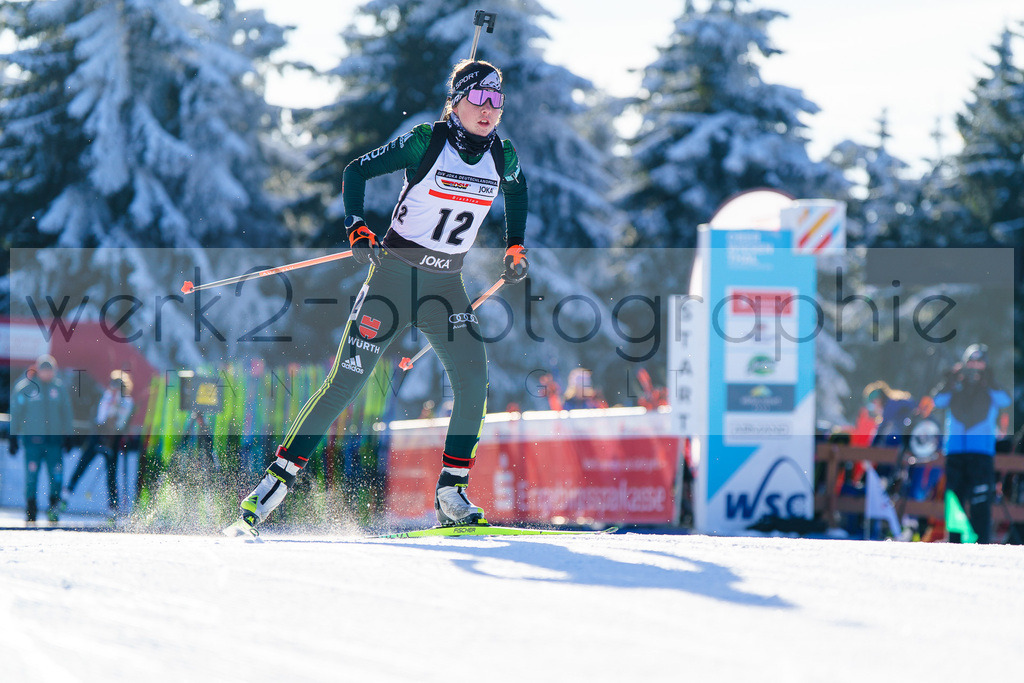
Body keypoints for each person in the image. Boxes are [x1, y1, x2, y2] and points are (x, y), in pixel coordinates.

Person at [230, 59, 529, 536]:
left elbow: (517, 190)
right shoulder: (426, 142)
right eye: (479, 98)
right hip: (393, 279)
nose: (489, 110)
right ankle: (275, 483)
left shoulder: (503, 155)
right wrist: (356, 226)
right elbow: (355, 172)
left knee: (474, 380)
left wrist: (515, 244)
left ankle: (451, 490)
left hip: (445, 287)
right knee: (345, 384)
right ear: (457, 102)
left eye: (498, 100)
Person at [932, 344, 1011, 543]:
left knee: (981, 502)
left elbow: (1005, 400)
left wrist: (990, 381)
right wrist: (949, 380)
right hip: (955, 453)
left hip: (981, 454)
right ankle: (955, 543)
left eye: (979, 362)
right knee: (954, 501)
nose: (975, 367)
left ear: (986, 365)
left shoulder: (991, 387)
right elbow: (938, 401)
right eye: (971, 362)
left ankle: (981, 543)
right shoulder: (956, 385)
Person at [9, 354, 74, 523]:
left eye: (50, 370)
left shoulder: (59, 389)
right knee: (31, 477)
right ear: (38, 370)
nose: (47, 373)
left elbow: (66, 413)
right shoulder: (26, 388)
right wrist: (13, 437)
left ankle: (54, 507)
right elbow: (16, 414)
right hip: (33, 443)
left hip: (54, 442)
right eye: (44, 370)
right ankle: (31, 509)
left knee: (56, 476)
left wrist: (69, 435)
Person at [64, 371, 135, 514]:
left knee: (111, 473)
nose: (113, 388)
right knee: (82, 464)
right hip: (97, 436)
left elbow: (122, 423)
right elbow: (99, 417)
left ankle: (113, 507)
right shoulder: (106, 396)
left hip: (112, 439)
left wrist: (116, 412)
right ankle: (65, 495)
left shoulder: (127, 402)